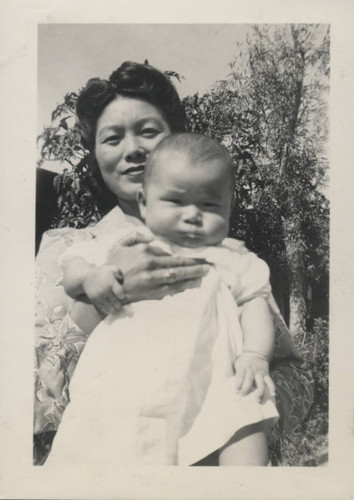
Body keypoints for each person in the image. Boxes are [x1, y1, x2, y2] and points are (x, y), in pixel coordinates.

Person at [34, 61, 314, 466]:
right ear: (94, 154)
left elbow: (292, 373)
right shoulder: (68, 246)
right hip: (106, 452)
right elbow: (30, 394)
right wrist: (109, 289)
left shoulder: (223, 252)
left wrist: (233, 410)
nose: (132, 149)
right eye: (112, 138)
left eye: (149, 131)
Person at [46, 133, 278, 466]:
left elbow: (255, 302)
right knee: (96, 444)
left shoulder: (233, 258)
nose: (193, 215)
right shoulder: (127, 243)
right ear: (144, 202)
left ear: (230, 207)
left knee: (245, 410)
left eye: (210, 205)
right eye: (175, 201)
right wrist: (93, 277)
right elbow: (73, 270)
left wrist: (255, 355)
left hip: (211, 383)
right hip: (122, 383)